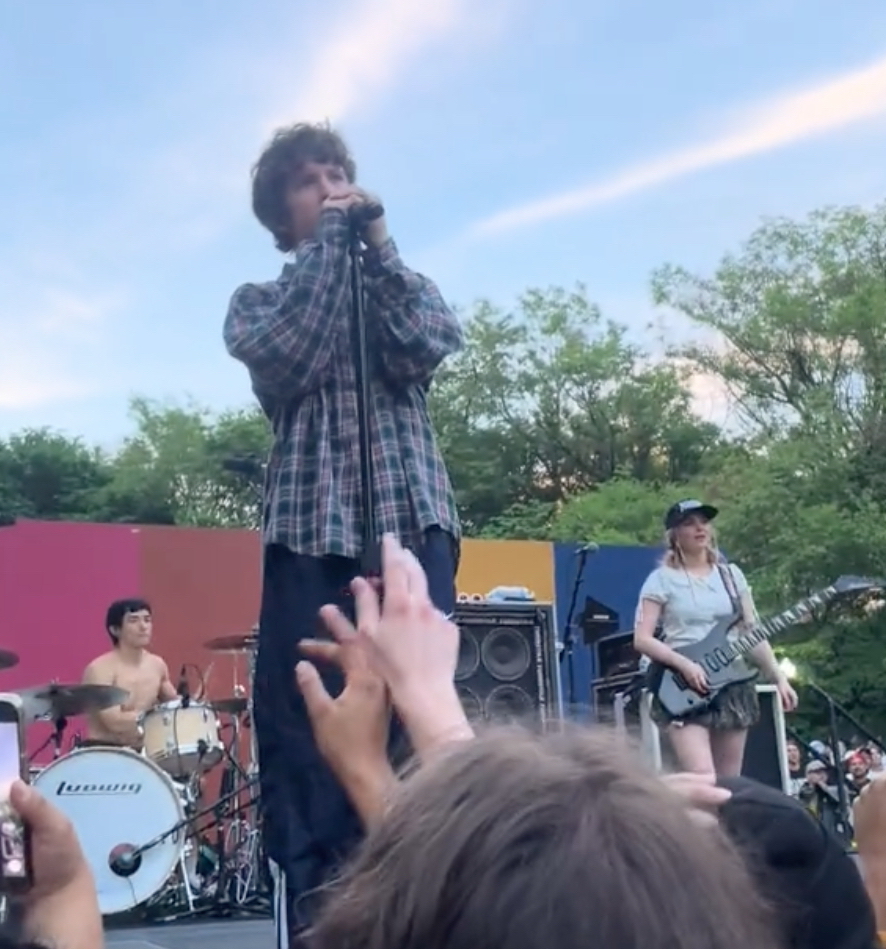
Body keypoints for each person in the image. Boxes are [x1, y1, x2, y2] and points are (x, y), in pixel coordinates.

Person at [223, 123, 462, 943]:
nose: (331, 188)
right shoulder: (258, 302)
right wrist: (331, 239)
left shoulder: (399, 285)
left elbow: (427, 343)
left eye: (338, 174)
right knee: (311, 739)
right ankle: (325, 923)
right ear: (279, 215)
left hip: (411, 527)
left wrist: (380, 242)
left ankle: (434, 908)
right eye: (308, 181)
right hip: (309, 537)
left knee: (418, 724)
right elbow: (294, 352)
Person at [633, 499, 798, 776]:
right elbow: (642, 639)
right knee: (703, 778)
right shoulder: (660, 580)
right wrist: (684, 665)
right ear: (674, 535)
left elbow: (752, 632)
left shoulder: (731, 576)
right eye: (689, 524)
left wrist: (778, 677)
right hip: (684, 683)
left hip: (731, 681)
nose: (700, 528)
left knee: (729, 781)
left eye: (704, 522)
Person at [80, 598, 177, 749]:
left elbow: (174, 707)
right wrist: (156, 716)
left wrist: (191, 706)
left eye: (147, 620)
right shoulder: (100, 669)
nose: (143, 626)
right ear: (115, 630)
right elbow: (115, 723)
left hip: (143, 751)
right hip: (105, 751)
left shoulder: (157, 665)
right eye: (133, 621)